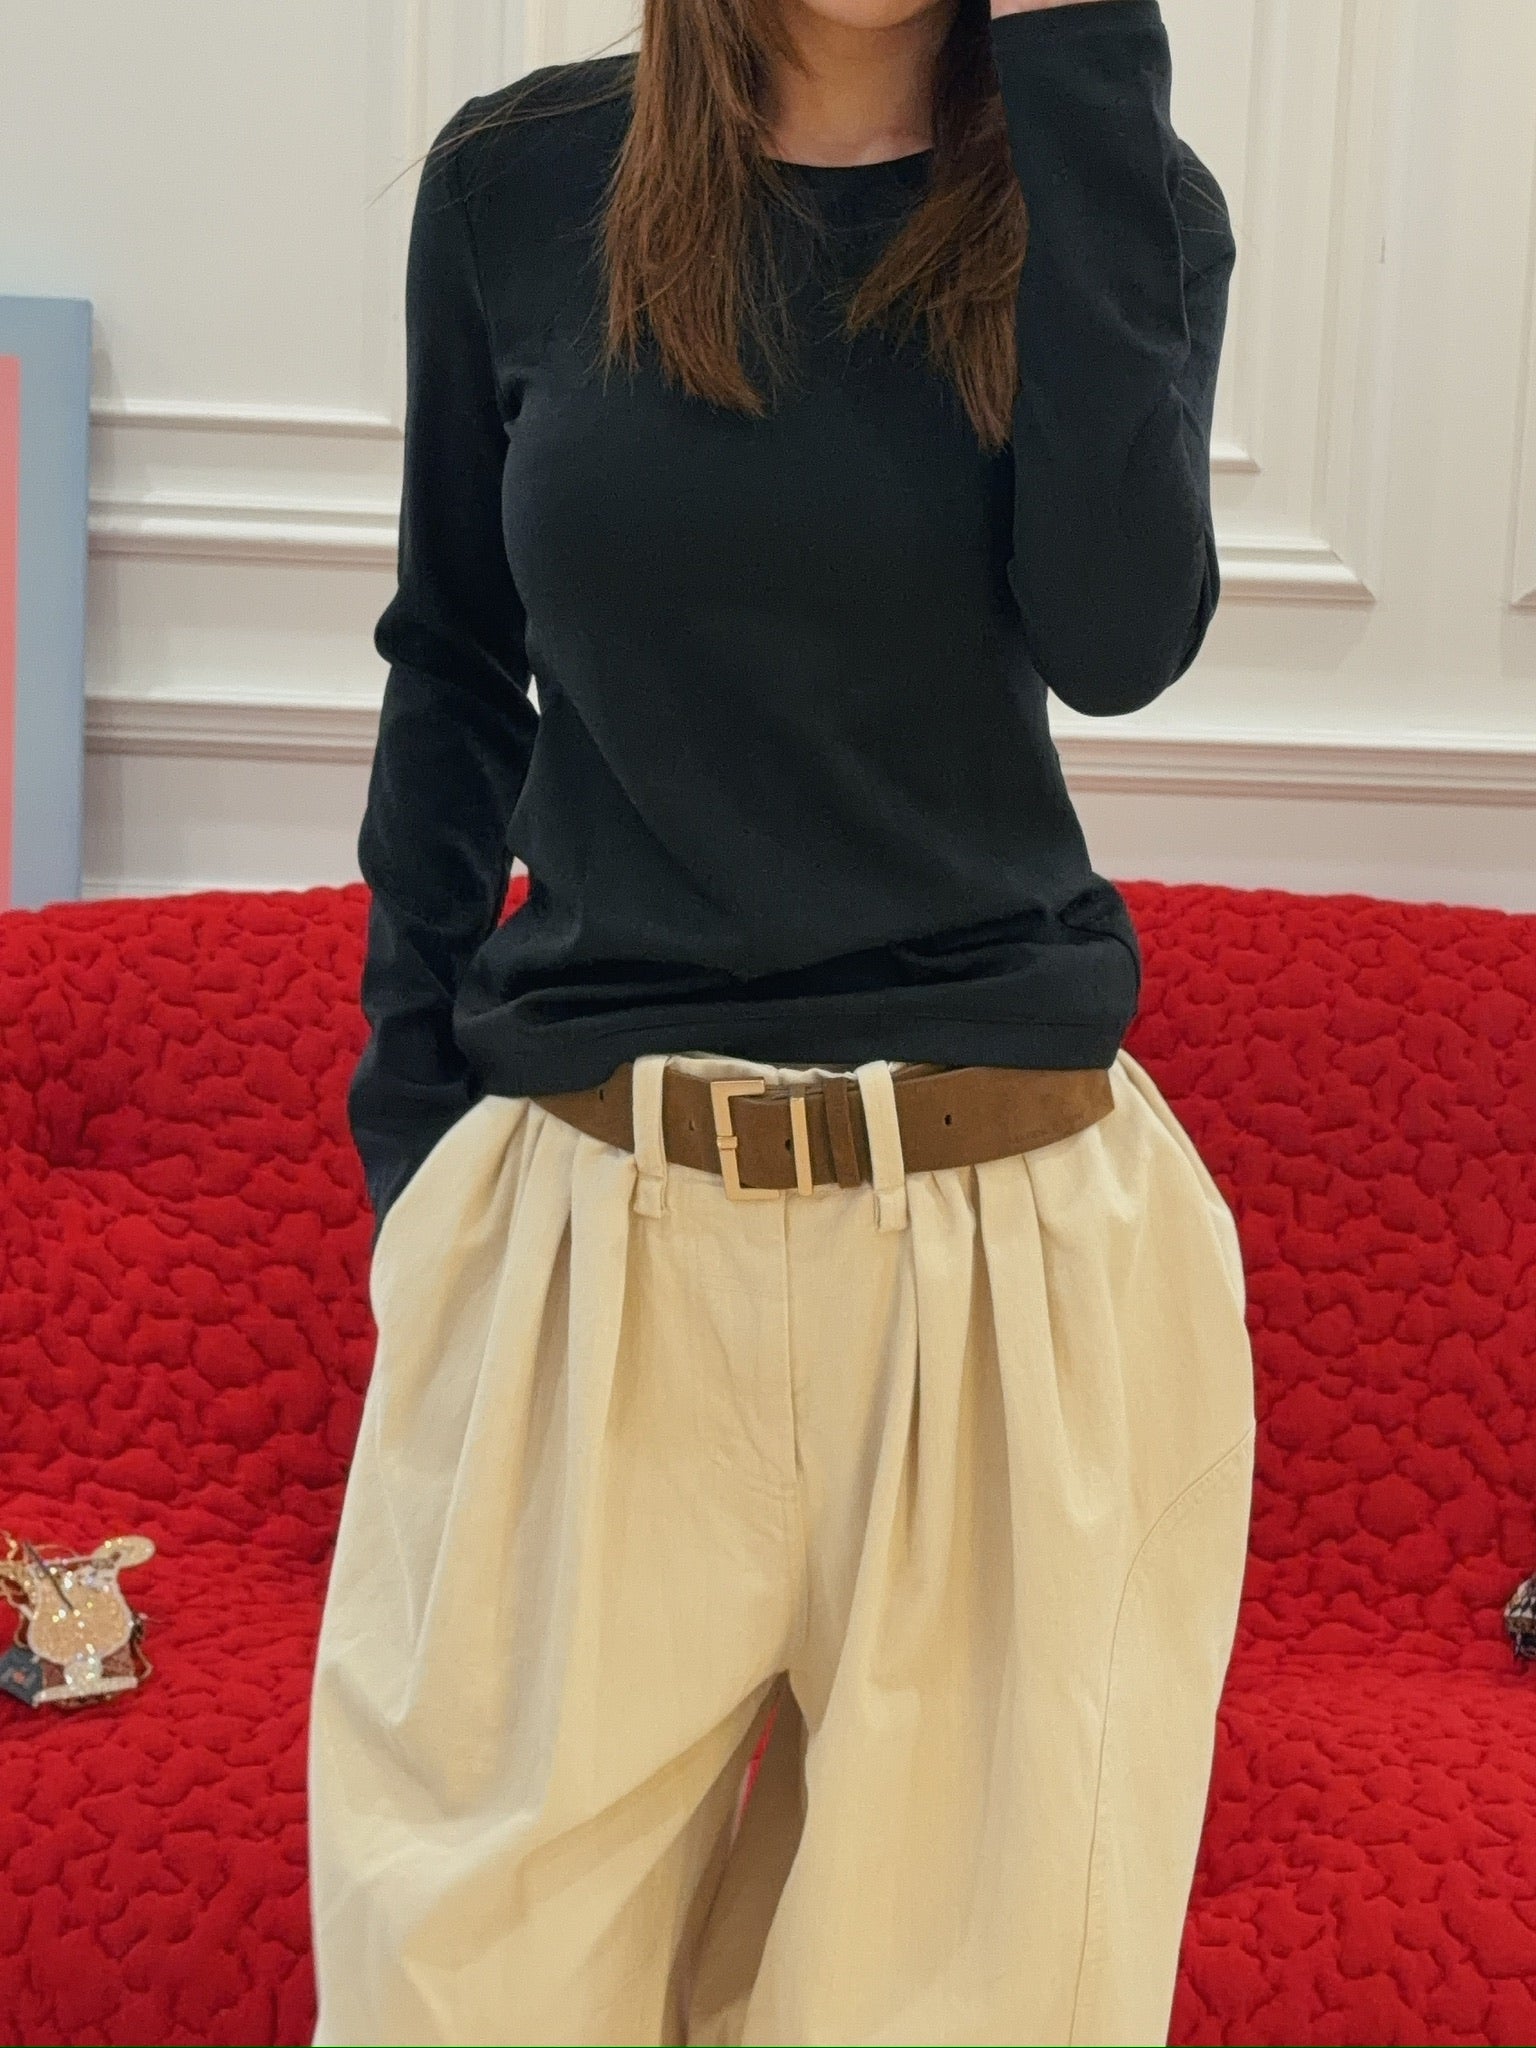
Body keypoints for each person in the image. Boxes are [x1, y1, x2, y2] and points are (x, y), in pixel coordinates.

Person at [305, 0, 1256, 2040]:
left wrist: (1086, 67)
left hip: (1007, 1257)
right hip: (598, 1228)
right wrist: (414, 1149)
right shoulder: (519, 185)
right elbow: (454, 667)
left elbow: (1120, 637)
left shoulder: (1119, 197)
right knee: (456, 1988)